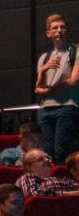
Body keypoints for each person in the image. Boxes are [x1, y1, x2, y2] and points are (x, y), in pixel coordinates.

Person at [35, 14, 79, 160]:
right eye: (55, 28)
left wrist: (48, 91)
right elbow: (37, 89)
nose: (59, 30)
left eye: (62, 27)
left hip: (67, 107)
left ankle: (63, 181)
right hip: (45, 109)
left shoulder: (75, 51)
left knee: (62, 151)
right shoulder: (44, 58)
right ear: (49, 33)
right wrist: (43, 70)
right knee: (46, 153)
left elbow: (73, 81)